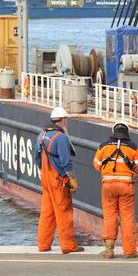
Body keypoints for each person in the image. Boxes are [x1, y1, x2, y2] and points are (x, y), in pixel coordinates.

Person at [34, 106, 84, 254]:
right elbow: (65, 162)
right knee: (64, 212)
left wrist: (45, 173)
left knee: (47, 212)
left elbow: (37, 159)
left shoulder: (41, 135)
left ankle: (43, 244)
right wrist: (72, 179)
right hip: (58, 180)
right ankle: (68, 246)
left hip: (46, 178)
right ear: (63, 120)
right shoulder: (61, 138)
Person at [93, 120, 138, 259]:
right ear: (127, 132)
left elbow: (97, 165)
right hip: (126, 187)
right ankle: (130, 251)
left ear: (113, 131)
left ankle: (109, 250)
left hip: (108, 187)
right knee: (127, 217)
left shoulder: (103, 146)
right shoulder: (133, 147)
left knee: (109, 216)